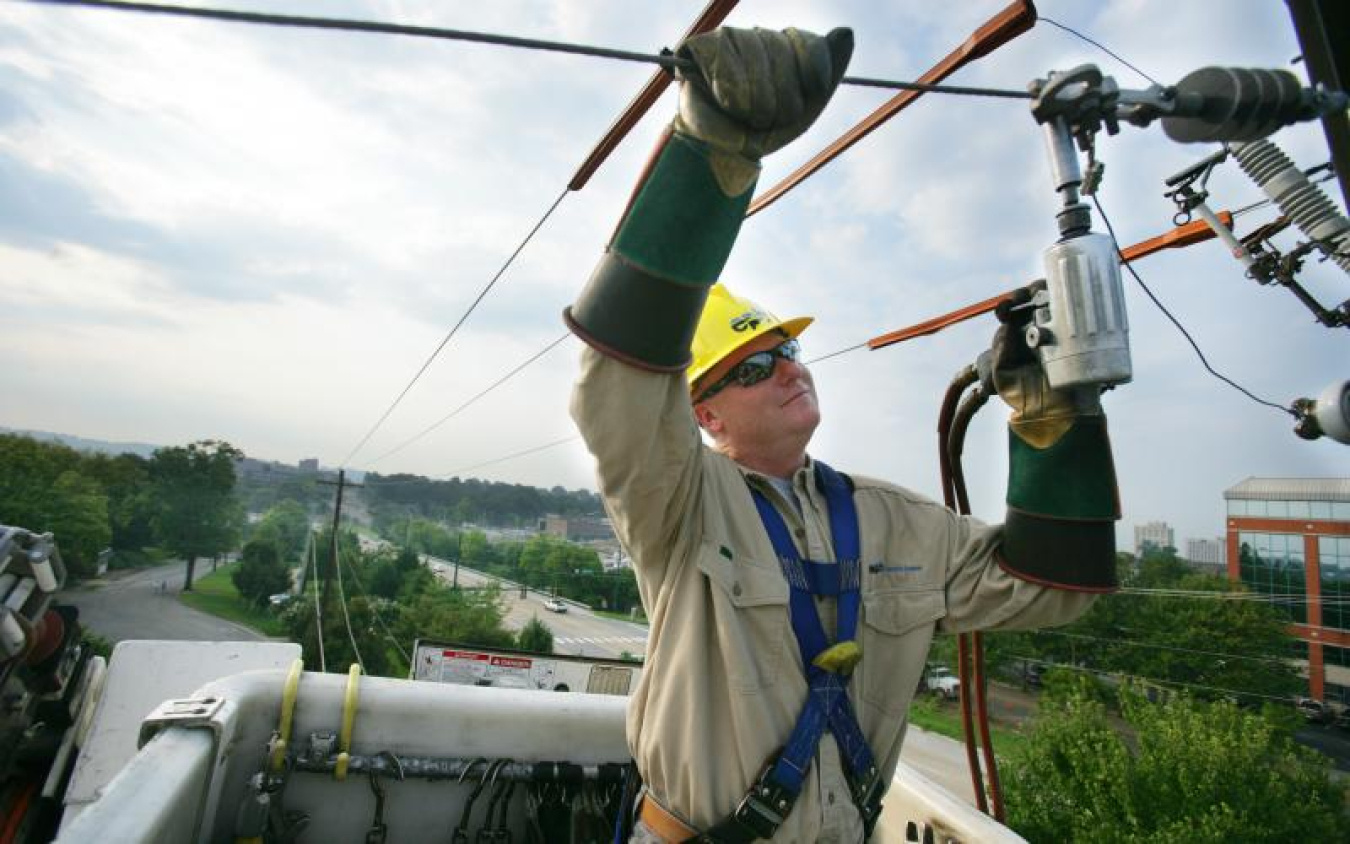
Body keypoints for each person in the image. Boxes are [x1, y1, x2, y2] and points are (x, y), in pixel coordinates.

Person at [565, 26, 1119, 843]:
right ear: (704, 416)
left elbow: (1054, 587)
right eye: (752, 368)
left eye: (786, 351)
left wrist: (1053, 420)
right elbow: (620, 387)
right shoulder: (678, 503)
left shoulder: (894, 521)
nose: (789, 369)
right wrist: (712, 152)